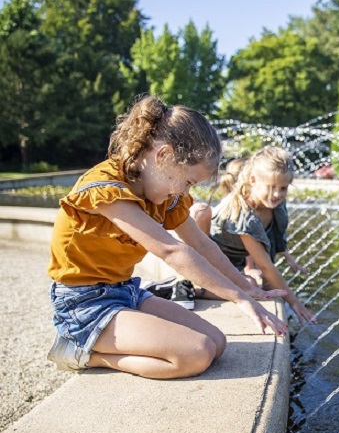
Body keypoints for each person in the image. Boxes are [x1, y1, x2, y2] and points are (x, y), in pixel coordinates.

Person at [46, 94, 288, 380]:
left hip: (126, 291)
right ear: (163, 156)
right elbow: (171, 251)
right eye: (186, 182)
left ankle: (98, 343)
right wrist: (237, 298)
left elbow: (201, 243)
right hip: (84, 304)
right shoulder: (106, 189)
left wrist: (247, 289)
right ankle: (83, 352)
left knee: (217, 344)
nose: (185, 193)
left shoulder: (164, 196)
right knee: (195, 354)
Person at [190, 147, 316, 324]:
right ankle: (194, 288)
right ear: (253, 180)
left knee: (260, 284)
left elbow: (274, 240)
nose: (277, 194)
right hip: (212, 259)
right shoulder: (244, 215)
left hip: (235, 261)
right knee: (253, 286)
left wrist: (286, 258)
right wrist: (295, 302)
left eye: (283, 188)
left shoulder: (275, 206)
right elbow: (266, 266)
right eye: (271, 187)